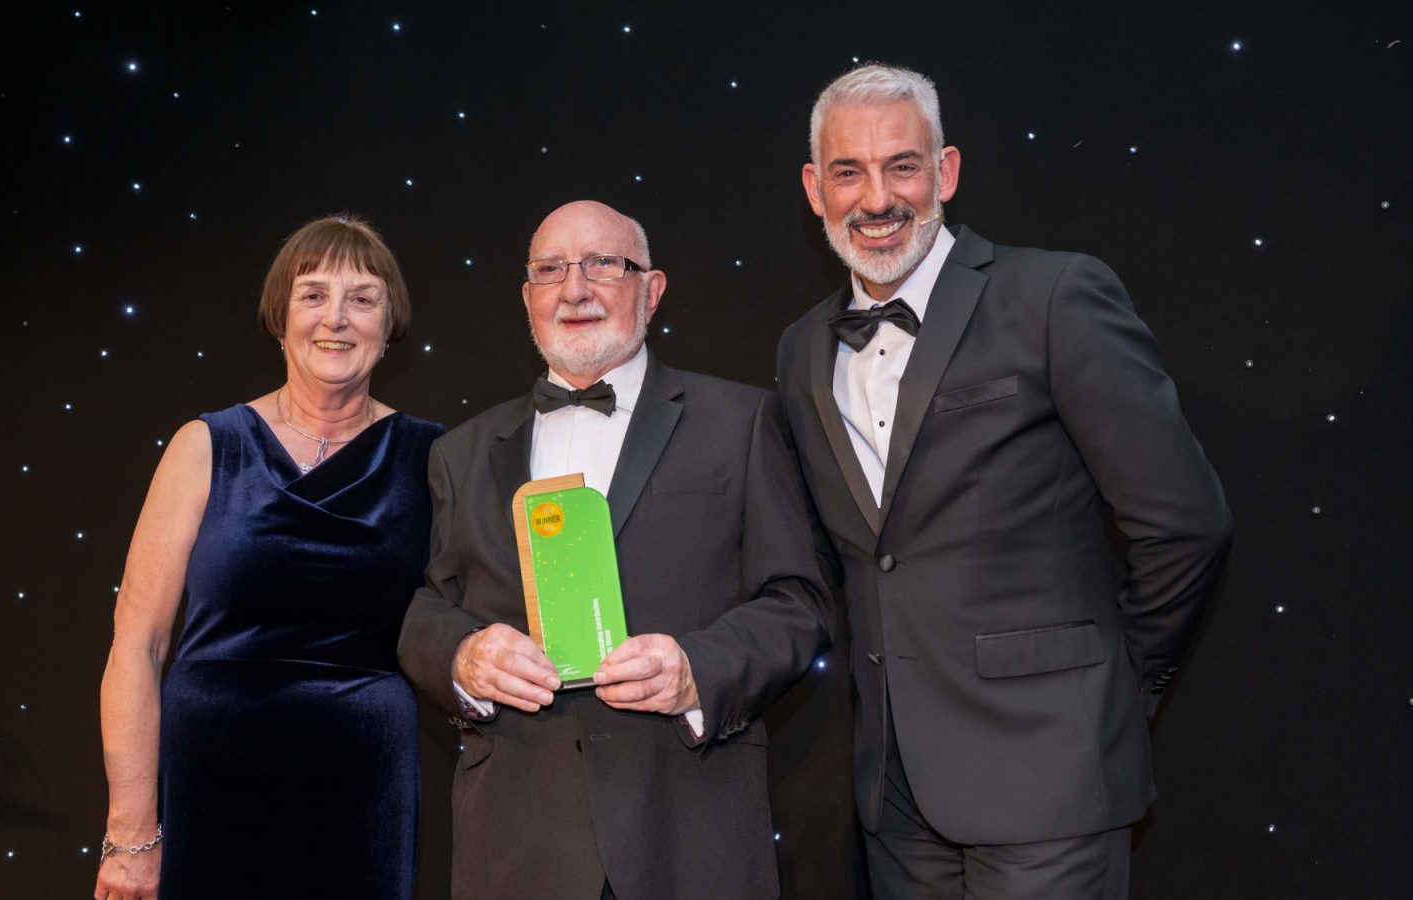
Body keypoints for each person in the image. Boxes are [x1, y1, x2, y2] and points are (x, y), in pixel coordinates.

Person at [776, 65, 1234, 899]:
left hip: (1051, 771)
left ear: (946, 172)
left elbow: (1184, 523)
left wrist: (1117, 688)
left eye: (902, 166)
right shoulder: (801, 349)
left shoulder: (1054, 294)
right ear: (815, 188)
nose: (876, 198)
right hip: (895, 793)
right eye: (849, 171)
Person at [397, 200, 829, 900]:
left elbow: (799, 602)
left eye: (603, 263)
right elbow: (427, 608)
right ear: (528, 297)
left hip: (689, 832)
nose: (576, 288)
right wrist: (462, 657)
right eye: (551, 270)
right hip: (517, 844)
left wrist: (699, 669)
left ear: (651, 290)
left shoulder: (743, 422)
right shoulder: (461, 452)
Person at [94, 215, 443, 900]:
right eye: (313, 294)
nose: (335, 319)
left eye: (362, 298)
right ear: (279, 316)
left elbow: (462, 621)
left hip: (361, 792)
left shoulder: (435, 458)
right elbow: (136, 646)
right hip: (208, 788)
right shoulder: (205, 446)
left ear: (390, 323)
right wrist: (131, 832)